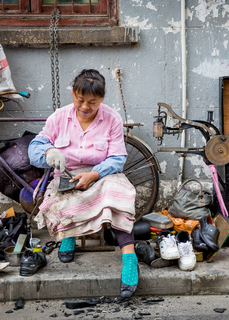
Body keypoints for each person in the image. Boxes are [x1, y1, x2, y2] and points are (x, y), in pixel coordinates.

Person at [28, 69, 138, 298]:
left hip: (103, 175)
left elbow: (118, 158)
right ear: (73, 94)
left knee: (117, 194)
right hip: (69, 176)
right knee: (62, 196)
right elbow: (34, 149)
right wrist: (48, 151)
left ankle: (129, 257)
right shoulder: (59, 117)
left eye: (93, 102)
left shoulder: (112, 118)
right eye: (80, 100)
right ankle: (68, 236)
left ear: (102, 99)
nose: (85, 107)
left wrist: (94, 175)